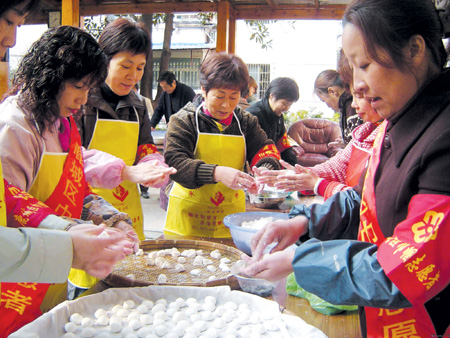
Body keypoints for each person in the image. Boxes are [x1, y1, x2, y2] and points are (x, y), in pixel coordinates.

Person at [244, 0, 450, 336]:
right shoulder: (394, 122)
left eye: (365, 64)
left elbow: (404, 272)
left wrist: (301, 261)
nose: (358, 86)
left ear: (415, 50)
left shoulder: (443, 137)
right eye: (353, 68)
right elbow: (364, 201)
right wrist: (304, 223)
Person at [0, 24, 138, 336]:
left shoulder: (62, 124)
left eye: (89, 89)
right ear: (49, 77)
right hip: (16, 279)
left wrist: (113, 219)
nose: (83, 99)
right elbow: (9, 215)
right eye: (78, 86)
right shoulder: (15, 129)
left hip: (52, 272)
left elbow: (78, 192)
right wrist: (74, 236)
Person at [163, 52, 282, 238]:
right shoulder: (183, 120)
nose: (226, 105)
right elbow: (175, 162)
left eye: (233, 97)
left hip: (229, 216)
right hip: (188, 218)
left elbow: (264, 148)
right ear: (203, 89)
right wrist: (216, 173)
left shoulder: (245, 122)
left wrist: (264, 169)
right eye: (219, 96)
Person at [78, 18, 176, 242]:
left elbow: (145, 146)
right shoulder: (82, 101)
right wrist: (126, 171)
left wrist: (154, 167)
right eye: (125, 66)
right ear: (105, 60)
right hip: (88, 206)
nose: (133, 75)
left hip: (128, 206)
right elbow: (73, 159)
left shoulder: (138, 105)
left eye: (140, 67)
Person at [259, 87, 383, 200]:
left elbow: (368, 201)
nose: (354, 104)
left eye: (360, 96)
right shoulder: (364, 131)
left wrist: (318, 184)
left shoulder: (387, 138)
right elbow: (338, 167)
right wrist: (301, 176)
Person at [246, 77, 299, 166]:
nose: (286, 108)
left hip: (271, 162)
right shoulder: (254, 115)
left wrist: (293, 167)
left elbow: (283, 145)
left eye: (290, 105)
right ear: (272, 96)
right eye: (284, 104)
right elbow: (253, 150)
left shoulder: (278, 117)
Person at [314, 68, 363, 145]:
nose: (328, 106)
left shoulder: (351, 107)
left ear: (332, 91)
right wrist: (344, 142)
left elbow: (358, 146)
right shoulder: (347, 104)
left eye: (324, 101)